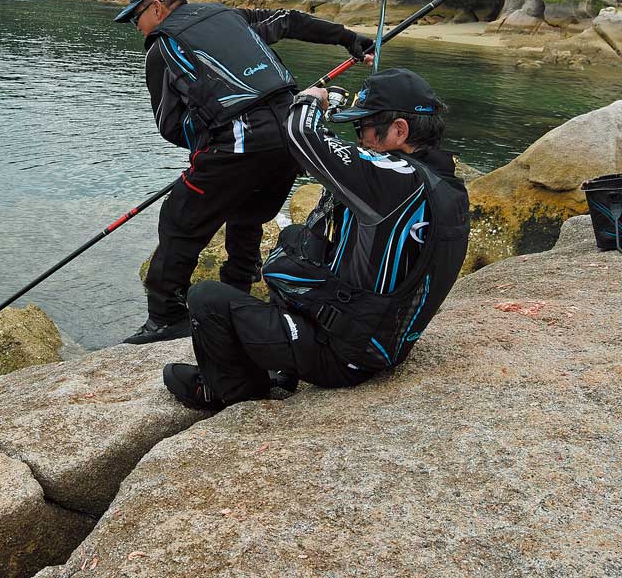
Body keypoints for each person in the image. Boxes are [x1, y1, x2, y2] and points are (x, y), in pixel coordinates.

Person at [162, 67, 470, 409]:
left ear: (400, 130)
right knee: (297, 241)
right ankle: (283, 367)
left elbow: (298, 132)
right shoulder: (444, 185)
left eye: (363, 127)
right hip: (381, 339)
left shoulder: (394, 179)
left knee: (206, 299)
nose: (359, 139)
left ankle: (232, 393)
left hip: (344, 353)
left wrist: (311, 99)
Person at [114, 0, 375, 344]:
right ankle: (236, 291)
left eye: (135, 16)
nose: (136, 26)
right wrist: (349, 39)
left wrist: (209, 147)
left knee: (179, 222)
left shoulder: (163, 47)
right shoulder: (228, 15)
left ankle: (166, 318)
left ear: (156, 7)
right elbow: (290, 20)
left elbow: (170, 125)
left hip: (237, 147)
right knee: (248, 212)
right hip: (292, 140)